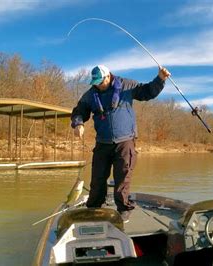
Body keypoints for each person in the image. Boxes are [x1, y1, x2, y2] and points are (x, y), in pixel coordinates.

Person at [71, 65, 170, 222]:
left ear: (108, 76)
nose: (97, 85)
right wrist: (78, 123)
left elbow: (147, 92)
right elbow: (79, 110)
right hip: (102, 143)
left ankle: (124, 209)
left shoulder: (126, 85)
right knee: (97, 179)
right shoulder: (91, 94)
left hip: (125, 142)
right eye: (94, 82)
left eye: (99, 81)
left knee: (122, 179)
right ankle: (95, 208)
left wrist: (160, 79)